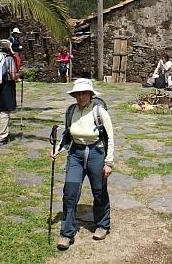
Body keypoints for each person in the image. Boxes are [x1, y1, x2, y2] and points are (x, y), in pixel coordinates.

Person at [51, 78, 114, 251]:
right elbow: (67, 134)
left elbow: (110, 138)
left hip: (96, 153)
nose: (81, 96)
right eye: (77, 93)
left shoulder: (100, 112)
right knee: (70, 193)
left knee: (99, 191)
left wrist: (108, 163)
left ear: (91, 94)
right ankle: (66, 233)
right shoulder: (71, 111)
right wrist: (57, 149)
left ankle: (102, 225)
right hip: (76, 154)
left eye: (84, 93)